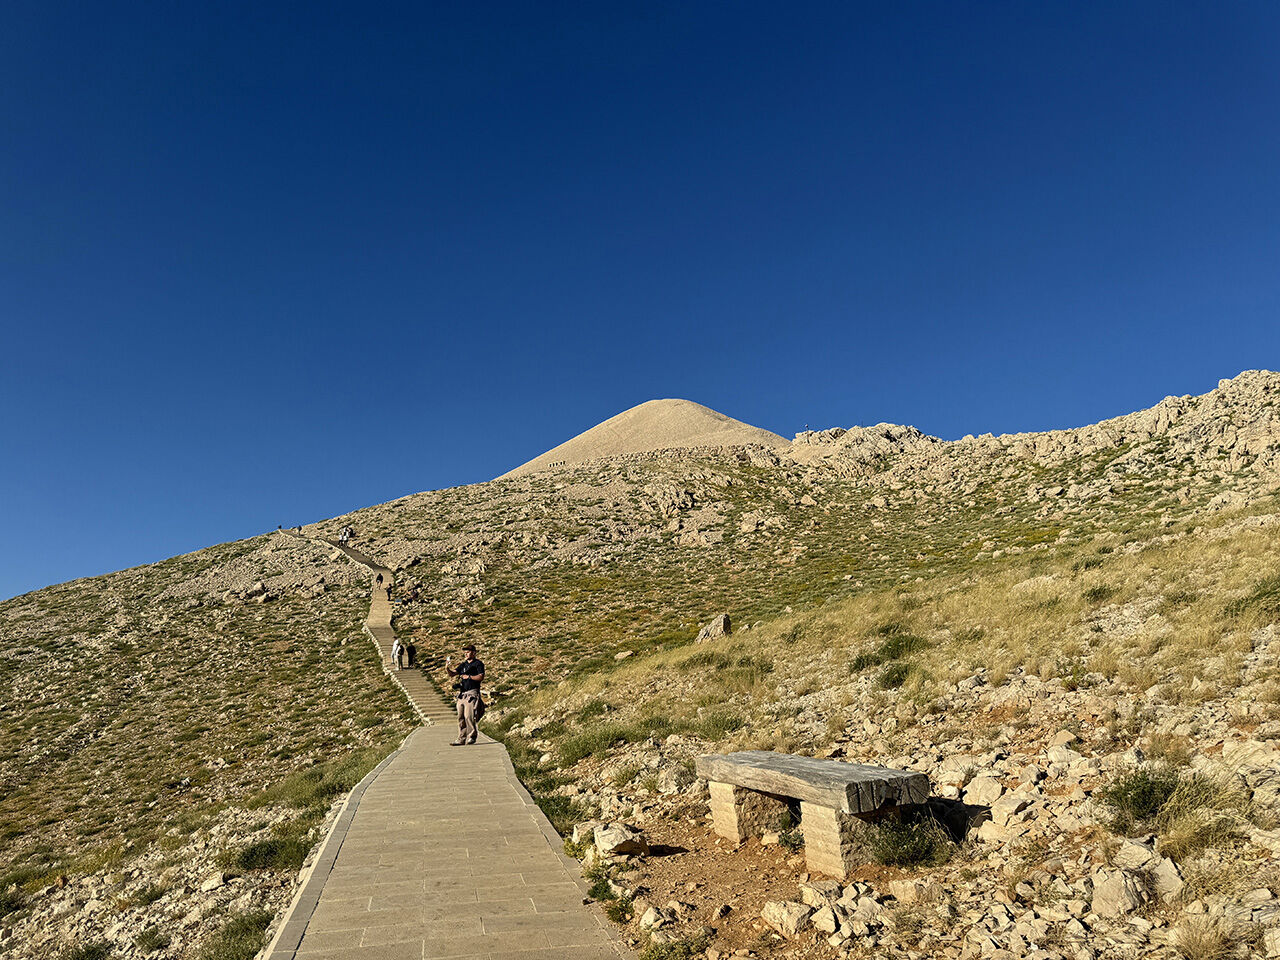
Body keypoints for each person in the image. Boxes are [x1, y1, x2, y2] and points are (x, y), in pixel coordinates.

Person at [445, 644, 484, 746]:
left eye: (468, 652)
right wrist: (447, 668)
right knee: (460, 717)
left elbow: (480, 677)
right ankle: (461, 738)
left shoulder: (478, 664)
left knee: (469, 716)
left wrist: (469, 677)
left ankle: (472, 736)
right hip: (462, 693)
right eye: (465, 652)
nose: (466, 654)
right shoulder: (463, 664)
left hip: (472, 692)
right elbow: (453, 674)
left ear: (474, 652)